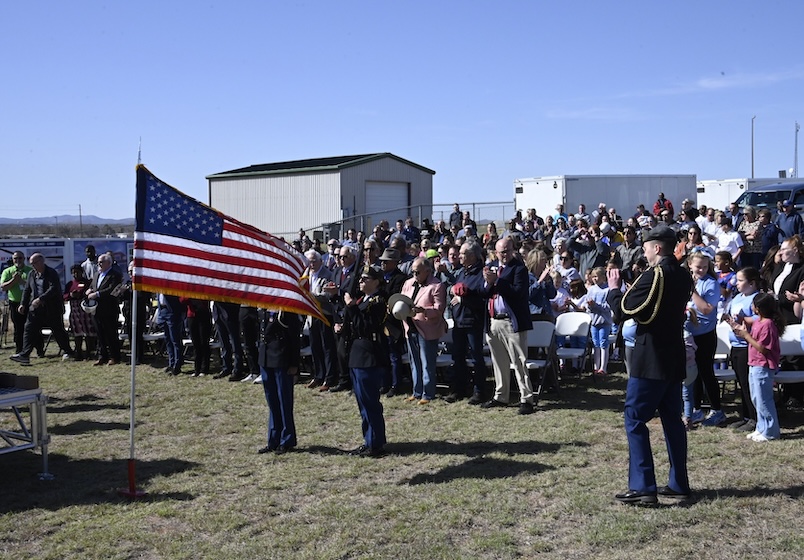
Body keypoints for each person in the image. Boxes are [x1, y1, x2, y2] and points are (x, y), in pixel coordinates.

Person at [607, 226, 692, 504]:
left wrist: (614, 290)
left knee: (634, 418)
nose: (643, 252)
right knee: (672, 420)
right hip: (673, 356)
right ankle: (678, 483)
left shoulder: (655, 275)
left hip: (651, 357)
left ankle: (643, 486)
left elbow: (624, 310)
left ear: (657, 247)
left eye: (645, 247)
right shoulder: (683, 274)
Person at [480, 237, 536, 415]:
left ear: (513, 250)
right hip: (494, 321)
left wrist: (498, 281)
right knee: (498, 362)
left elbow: (518, 293)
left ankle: (526, 399)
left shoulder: (519, 269)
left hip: (511, 322)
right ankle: (501, 395)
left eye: (507, 251)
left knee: (519, 362)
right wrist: (488, 282)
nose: (504, 254)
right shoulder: (493, 267)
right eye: (501, 252)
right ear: (495, 253)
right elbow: (484, 293)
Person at [340, 265, 389, 457]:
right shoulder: (362, 300)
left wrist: (352, 307)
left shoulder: (378, 301)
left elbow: (367, 326)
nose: (361, 281)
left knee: (370, 403)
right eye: (360, 278)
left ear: (376, 282)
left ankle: (375, 443)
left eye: (365, 278)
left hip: (369, 355)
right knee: (362, 402)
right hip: (357, 354)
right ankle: (368, 440)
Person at [728, 293, 784, 442]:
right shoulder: (758, 322)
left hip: (763, 366)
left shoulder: (768, 324)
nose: (751, 306)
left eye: (753, 304)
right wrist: (740, 330)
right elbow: (753, 339)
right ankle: (761, 427)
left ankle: (771, 432)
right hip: (754, 364)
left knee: (764, 400)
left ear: (758, 308)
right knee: (756, 399)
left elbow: (763, 349)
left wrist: (746, 336)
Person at [10, 253, 74, 365]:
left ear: (41, 262)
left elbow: (53, 288)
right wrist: (23, 304)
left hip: (51, 309)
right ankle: (24, 355)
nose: (33, 266)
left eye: (34, 263)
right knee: (29, 329)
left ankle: (68, 351)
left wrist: (40, 299)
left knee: (58, 330)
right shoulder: (32, 274)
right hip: (35, 309)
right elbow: (27, 290)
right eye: (31, 264)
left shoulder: (51, 273)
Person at [685, 249, 724, 427]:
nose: (701, 270)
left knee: (706, 372)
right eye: (698, 267)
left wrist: (692, 291)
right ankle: (697, 408)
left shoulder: (711, 283)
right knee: (693, 373)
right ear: (690, 265)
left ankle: (717, 409)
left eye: (705, 267)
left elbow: (707, 309)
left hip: (705, 334)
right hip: (689, 333)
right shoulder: (688, 279)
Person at [448, 240, 490, 404]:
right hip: (459, 320)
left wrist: (463, 299)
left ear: (472, 256)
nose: (459, 256)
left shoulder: (481, 274)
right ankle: (459, 389)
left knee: (476, 357)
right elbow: (455, 289)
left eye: (463, 253)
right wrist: (453, 291)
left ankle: (479, 391)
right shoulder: (462, 272)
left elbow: (482, 299)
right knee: (458, 356)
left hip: (473, 321)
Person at [400, 257, 446, 404]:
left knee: (427, 363)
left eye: (418, 272)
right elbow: (402, 300)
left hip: (427, 330)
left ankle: (428, 394)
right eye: (413, 272)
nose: (415, 275)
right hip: (410, 327)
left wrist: (424, 311)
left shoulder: (437, 286)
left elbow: (439, 309)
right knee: (414, 362)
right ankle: (417, 391)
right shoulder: (408, 283)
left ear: (427, 271)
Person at [256, 310, 301, 454]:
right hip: (265, 357)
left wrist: (294, 363)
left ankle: (286, 439)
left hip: (281, 358)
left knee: (284, 401)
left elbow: (294, 337)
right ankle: (273, 439)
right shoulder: (264, 308)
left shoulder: (286, 310)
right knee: (272, 401)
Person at [723, 267, 760, 433]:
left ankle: (754, 418)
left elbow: (760, 319)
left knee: (748, 384)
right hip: (736, 345)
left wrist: (744, 319)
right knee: (741, 383)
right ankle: (746, 416)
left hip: (748, 346)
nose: (736, 283)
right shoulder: (737, 297)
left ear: (751, 283)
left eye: (740, 280)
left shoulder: (757, 298)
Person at [304, 249, 340, 391]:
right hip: (311, 315)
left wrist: (309, 296)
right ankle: (318, 375)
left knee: (327, 347)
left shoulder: (328, 275)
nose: (311, 264)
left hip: (324, 314)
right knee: (315, 346)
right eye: (309, 262)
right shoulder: (306, 275)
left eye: (314, 261)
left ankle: (329, 378)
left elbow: (327, 295)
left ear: (320, 261)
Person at [84, 253, 123, 366]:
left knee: (111, 334)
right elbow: (93, 286)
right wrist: (90, 290)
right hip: (97, 309)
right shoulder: (97, 274)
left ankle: (114, 356)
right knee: (99, 334)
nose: (99, 264)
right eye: (98, 262)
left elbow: (111, 289)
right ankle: (102, 356)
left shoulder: (115, 275)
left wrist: (97, 294)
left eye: (101, 262)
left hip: (109, 309)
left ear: (108, 263)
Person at [1, 251, 40, 356]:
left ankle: (39, 349)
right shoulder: (8, 271)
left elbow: (35, 287)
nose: (18, 260)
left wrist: (22, 281)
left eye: (20, 258)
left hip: (29, 303)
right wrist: (14, 280)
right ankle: (20, 350)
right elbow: (3, 287)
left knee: (34, 326)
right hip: (15, 303)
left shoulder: (30, 271)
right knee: (18, 328)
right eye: (15, 258)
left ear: (24, 259)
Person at [63, 264, 96, 361]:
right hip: (75, 311)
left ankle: (89, 352)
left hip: (86, 310)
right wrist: (71, 295)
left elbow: (90, 292)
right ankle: (78, 352)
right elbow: (64, 296)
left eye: (77, 272)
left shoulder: (87, 282)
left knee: (88, 332)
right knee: (77, 333)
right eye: (73, 273)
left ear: (82, 272)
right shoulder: (70, 284)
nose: (75, 274)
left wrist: (81, 294)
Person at [586, 266, 613, 375]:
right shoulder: (591, 289)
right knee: (595, 344)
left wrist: (596, 305)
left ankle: (603, 367)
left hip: (604, 321)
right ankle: (596, 366)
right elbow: (587, 304)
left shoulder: (607, 290)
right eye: (593, 277)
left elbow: (608, 307)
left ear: (603, 277)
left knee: (603, 343)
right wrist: (589, 305)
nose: (595, 279)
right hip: (594, 321)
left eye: (597, 276)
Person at [182, 298, 212, 377]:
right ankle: (197, 369)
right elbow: (182, 299)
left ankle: (204, 368)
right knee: (195, 343)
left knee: (204, 342)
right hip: (192, 315)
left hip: (203, 315)